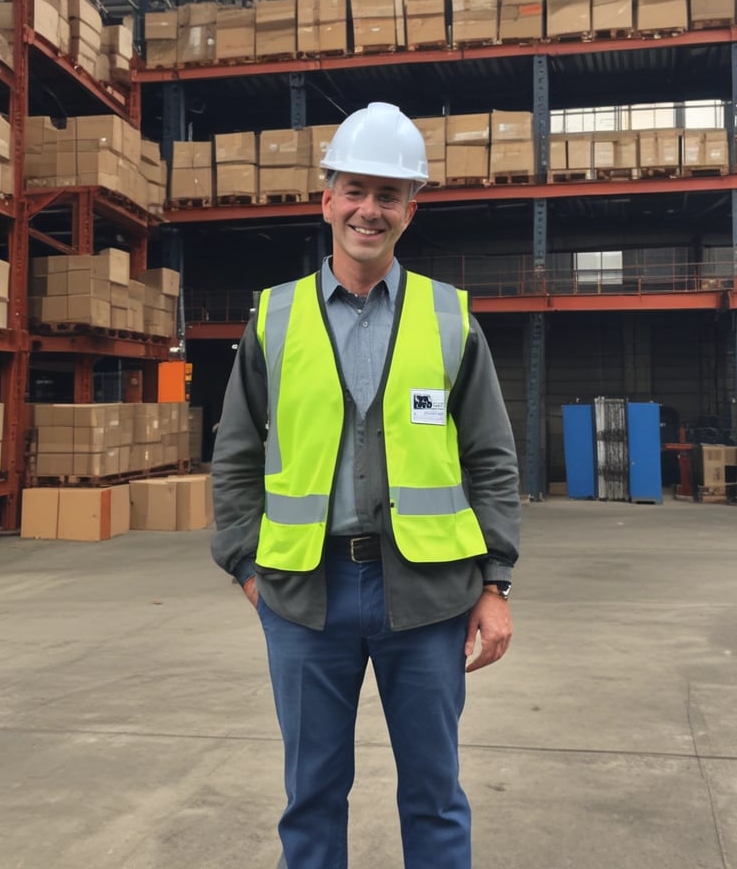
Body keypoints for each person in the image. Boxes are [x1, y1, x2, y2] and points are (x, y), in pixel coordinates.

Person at [210, 101, 521, 869]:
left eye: (389, 195)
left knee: (434, 793)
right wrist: (247, 565)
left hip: (427, 595)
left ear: (410, 210)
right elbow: (236, 455)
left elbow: (491, 458)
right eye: (355, 190)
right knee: (312, 794)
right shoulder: (274, 319)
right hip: (304, 596)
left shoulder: (450, 319)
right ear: (326, 199)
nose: (368, 210)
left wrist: (496, 583)